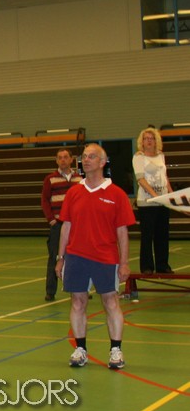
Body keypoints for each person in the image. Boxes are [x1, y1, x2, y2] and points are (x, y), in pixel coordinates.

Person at [56, 143, 135, 370]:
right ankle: (80, 349)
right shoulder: (73, 192)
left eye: (91, 156)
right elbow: (66, 227)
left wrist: (124, 263)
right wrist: (60, 258)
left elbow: (122, 232)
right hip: (76, 257)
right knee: (77, 302)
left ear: (102, 162)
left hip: (105, 257)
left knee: (111, 301)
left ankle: (116, 350)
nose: (86, 160)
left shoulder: (117, 194)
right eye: (84, 157)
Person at [40, 149, 82, 302]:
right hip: (58, 224)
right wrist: (51, 219)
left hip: (76, 225)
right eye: (60, 158)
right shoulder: (50, 179)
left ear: (71, 159)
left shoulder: (79, 179)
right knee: (54, 257)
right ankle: (50, 291)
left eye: (65, 157)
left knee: (79, 257)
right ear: (56, 161)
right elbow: (45, 200)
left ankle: (80, 288)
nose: (63, 160)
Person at [133, 127, 173, 278]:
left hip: (162, 202)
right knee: (147, 235)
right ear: (142, 142)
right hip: (147, 202)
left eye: (151, 138)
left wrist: (170, 195)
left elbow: (165, 177)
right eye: (146, 138)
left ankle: (163, 265)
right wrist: (155, 195)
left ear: (156, 141)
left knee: (162, 234)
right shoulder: (139, 157)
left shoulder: (161, 155)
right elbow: (141, 179)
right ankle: (147, 267)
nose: (149, 141)